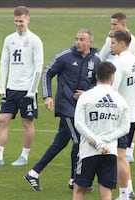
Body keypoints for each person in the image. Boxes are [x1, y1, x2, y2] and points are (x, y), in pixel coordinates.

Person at [23, 29, 101, 191]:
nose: (78, 42)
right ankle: (75, 180)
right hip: (66, 107)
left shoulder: (96, 60)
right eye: (77, 39)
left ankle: (33, 173)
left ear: (90, 42)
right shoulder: (64, 57)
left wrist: (88, 93)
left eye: (82, 39)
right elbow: (47, 73)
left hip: (82, 109)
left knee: (59, 143)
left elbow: (100, 82)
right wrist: (47, 96)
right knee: (79, 141)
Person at [0, 6, 44, 167]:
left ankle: (24, 156)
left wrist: (32, 90)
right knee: (2, 120)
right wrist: (1, 87)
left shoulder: (35, 40)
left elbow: (39, 66)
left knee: (27, 122)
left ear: (28, 19)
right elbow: (4, 63)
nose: (18, 24)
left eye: (21, 21)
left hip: (27, 91)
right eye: (16, 21)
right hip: (11, 89)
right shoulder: (9, 39)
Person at [72, 61, 130, 200]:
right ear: (112, 77)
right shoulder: (120, 99)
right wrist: (105, 141)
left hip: (88, 151)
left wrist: (97, 142)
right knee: (106, 192)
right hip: (109, 151)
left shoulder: (86, 96)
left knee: (79, 189)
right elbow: (125, 128)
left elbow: (79, 123)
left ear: (96, 75)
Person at [110, 30, 135, 200]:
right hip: (134, 114)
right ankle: (129, 190)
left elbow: (112, 90)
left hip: (121, 117)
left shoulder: (119, 63)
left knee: (119, 156)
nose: (111, 45)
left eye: (113, 42)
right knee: (121, 154)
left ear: (123, 44)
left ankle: (124, 195)